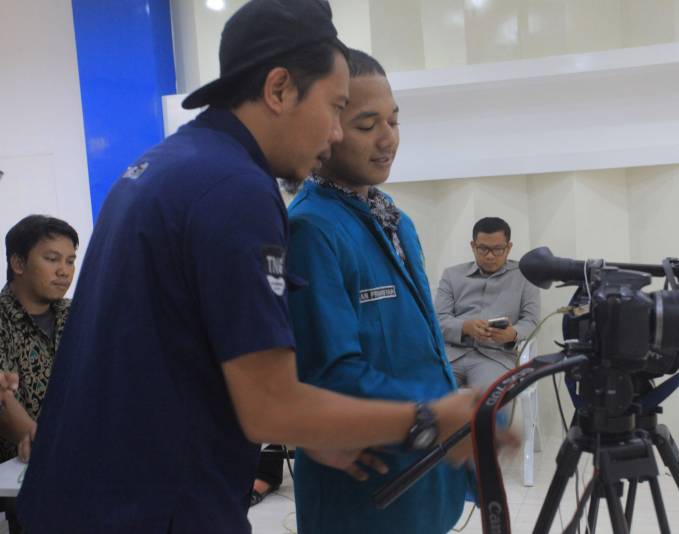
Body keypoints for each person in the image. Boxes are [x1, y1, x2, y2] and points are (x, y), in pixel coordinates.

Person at [17, 2, 474, 533]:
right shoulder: (237, 191)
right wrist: (428, 419)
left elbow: (183, 355)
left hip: (87, 499)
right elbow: (270, 405)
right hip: (147, 507)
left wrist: (316, 433)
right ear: (279, 89)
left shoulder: (169, 165)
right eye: (337, 109)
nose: (334, 134)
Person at [287, 49, 469, 534]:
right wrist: (436, 413)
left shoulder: (395, 220)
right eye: (367, 125)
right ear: (326, 127)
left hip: (424, 464)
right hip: (366, 482)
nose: (388, 138)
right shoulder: (311, 230)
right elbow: (330, 372)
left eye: (393, 120)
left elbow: (423, 346)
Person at [0, 215, 78, 533]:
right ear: (18, 263)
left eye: (70, 261)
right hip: (23, 473)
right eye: (52, 259)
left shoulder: (77, 314)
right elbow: (4, 402)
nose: (64, 271)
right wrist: (38, 440)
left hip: (80, 455)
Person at [435, 217, 540, 394]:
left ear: (509, 247)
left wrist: (513, 334)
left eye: (498, 249)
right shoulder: (452, 275)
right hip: (450, 356)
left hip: (495, 357)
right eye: (483, 248)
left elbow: (531, 320)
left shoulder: (525, 277)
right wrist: (465, 327)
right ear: (473, 246)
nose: (490, 256)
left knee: (491, 399)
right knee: (425, 393)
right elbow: (438, 320)